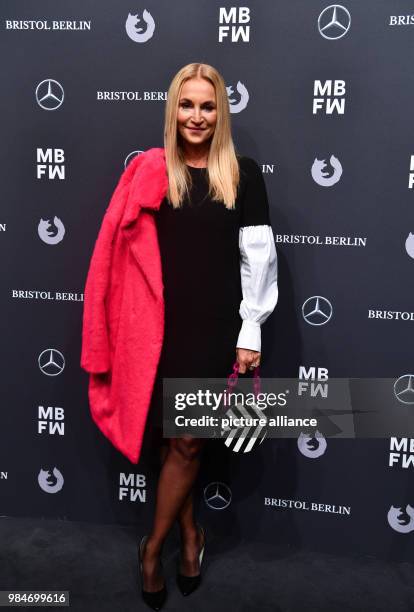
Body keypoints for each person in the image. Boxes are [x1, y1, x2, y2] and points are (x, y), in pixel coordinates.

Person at [136, 62, 279, 610]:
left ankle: (152, 550)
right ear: (173, 108)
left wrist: (250, 331)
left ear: (222, 112)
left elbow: (259, 262)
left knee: (190, 440)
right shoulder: (153, 173)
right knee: (177, 443)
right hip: (159, 329)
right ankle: (190, 538)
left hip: (215, 326)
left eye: (208, 105)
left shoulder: (242, 173)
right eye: (187, 104)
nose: (197, 116)